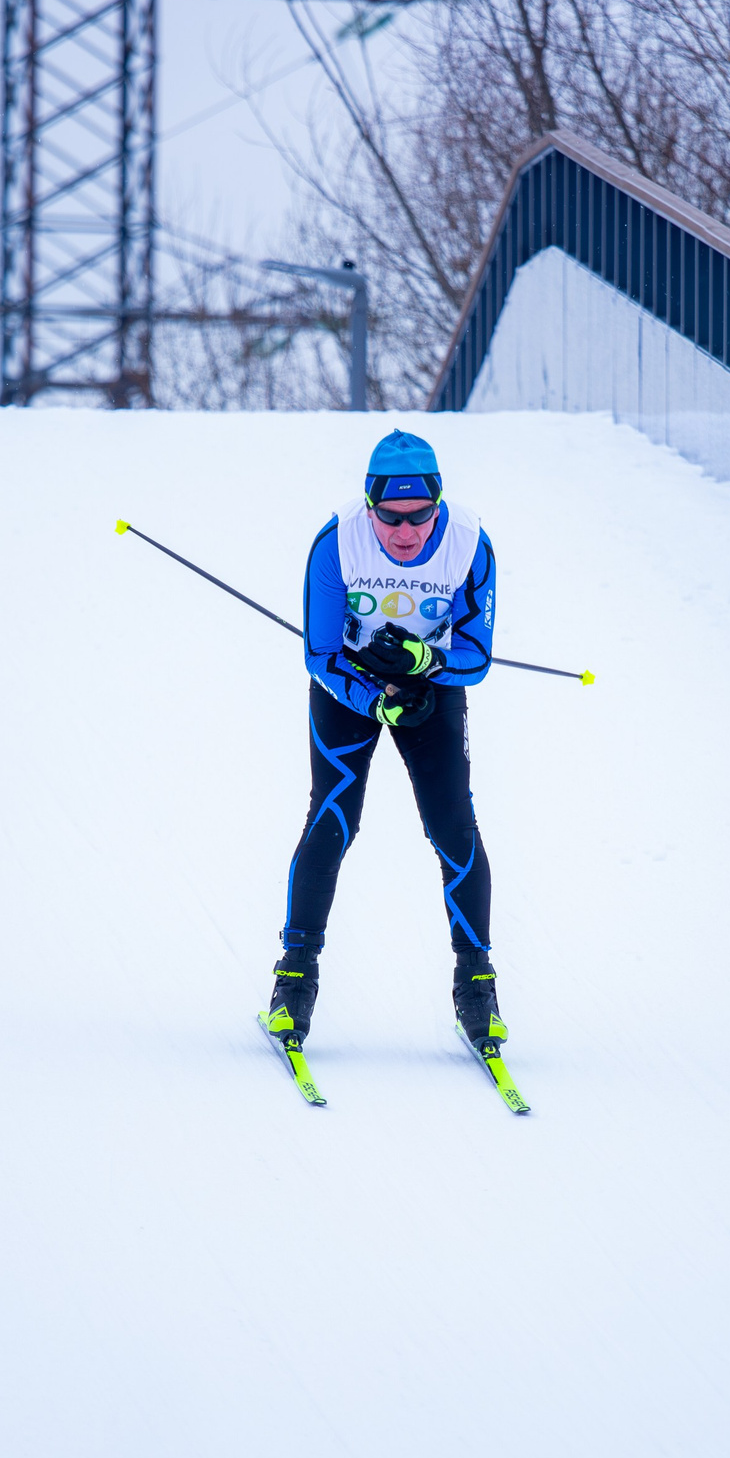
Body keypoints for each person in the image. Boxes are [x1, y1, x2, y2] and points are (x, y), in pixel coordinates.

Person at [266, 429, 505, 1057]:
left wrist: (425, 661)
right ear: (369, 507)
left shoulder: (469, 544)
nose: (405, 532)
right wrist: (376, 700)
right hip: (349, 683)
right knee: (333, 819)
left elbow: (477, 656)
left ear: (438, 505)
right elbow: (320, 653)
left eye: (420, 516)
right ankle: (294, 980)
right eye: (391, 517)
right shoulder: (336, 544)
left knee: (453, 827)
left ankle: (477, 984)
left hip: (432, 683)